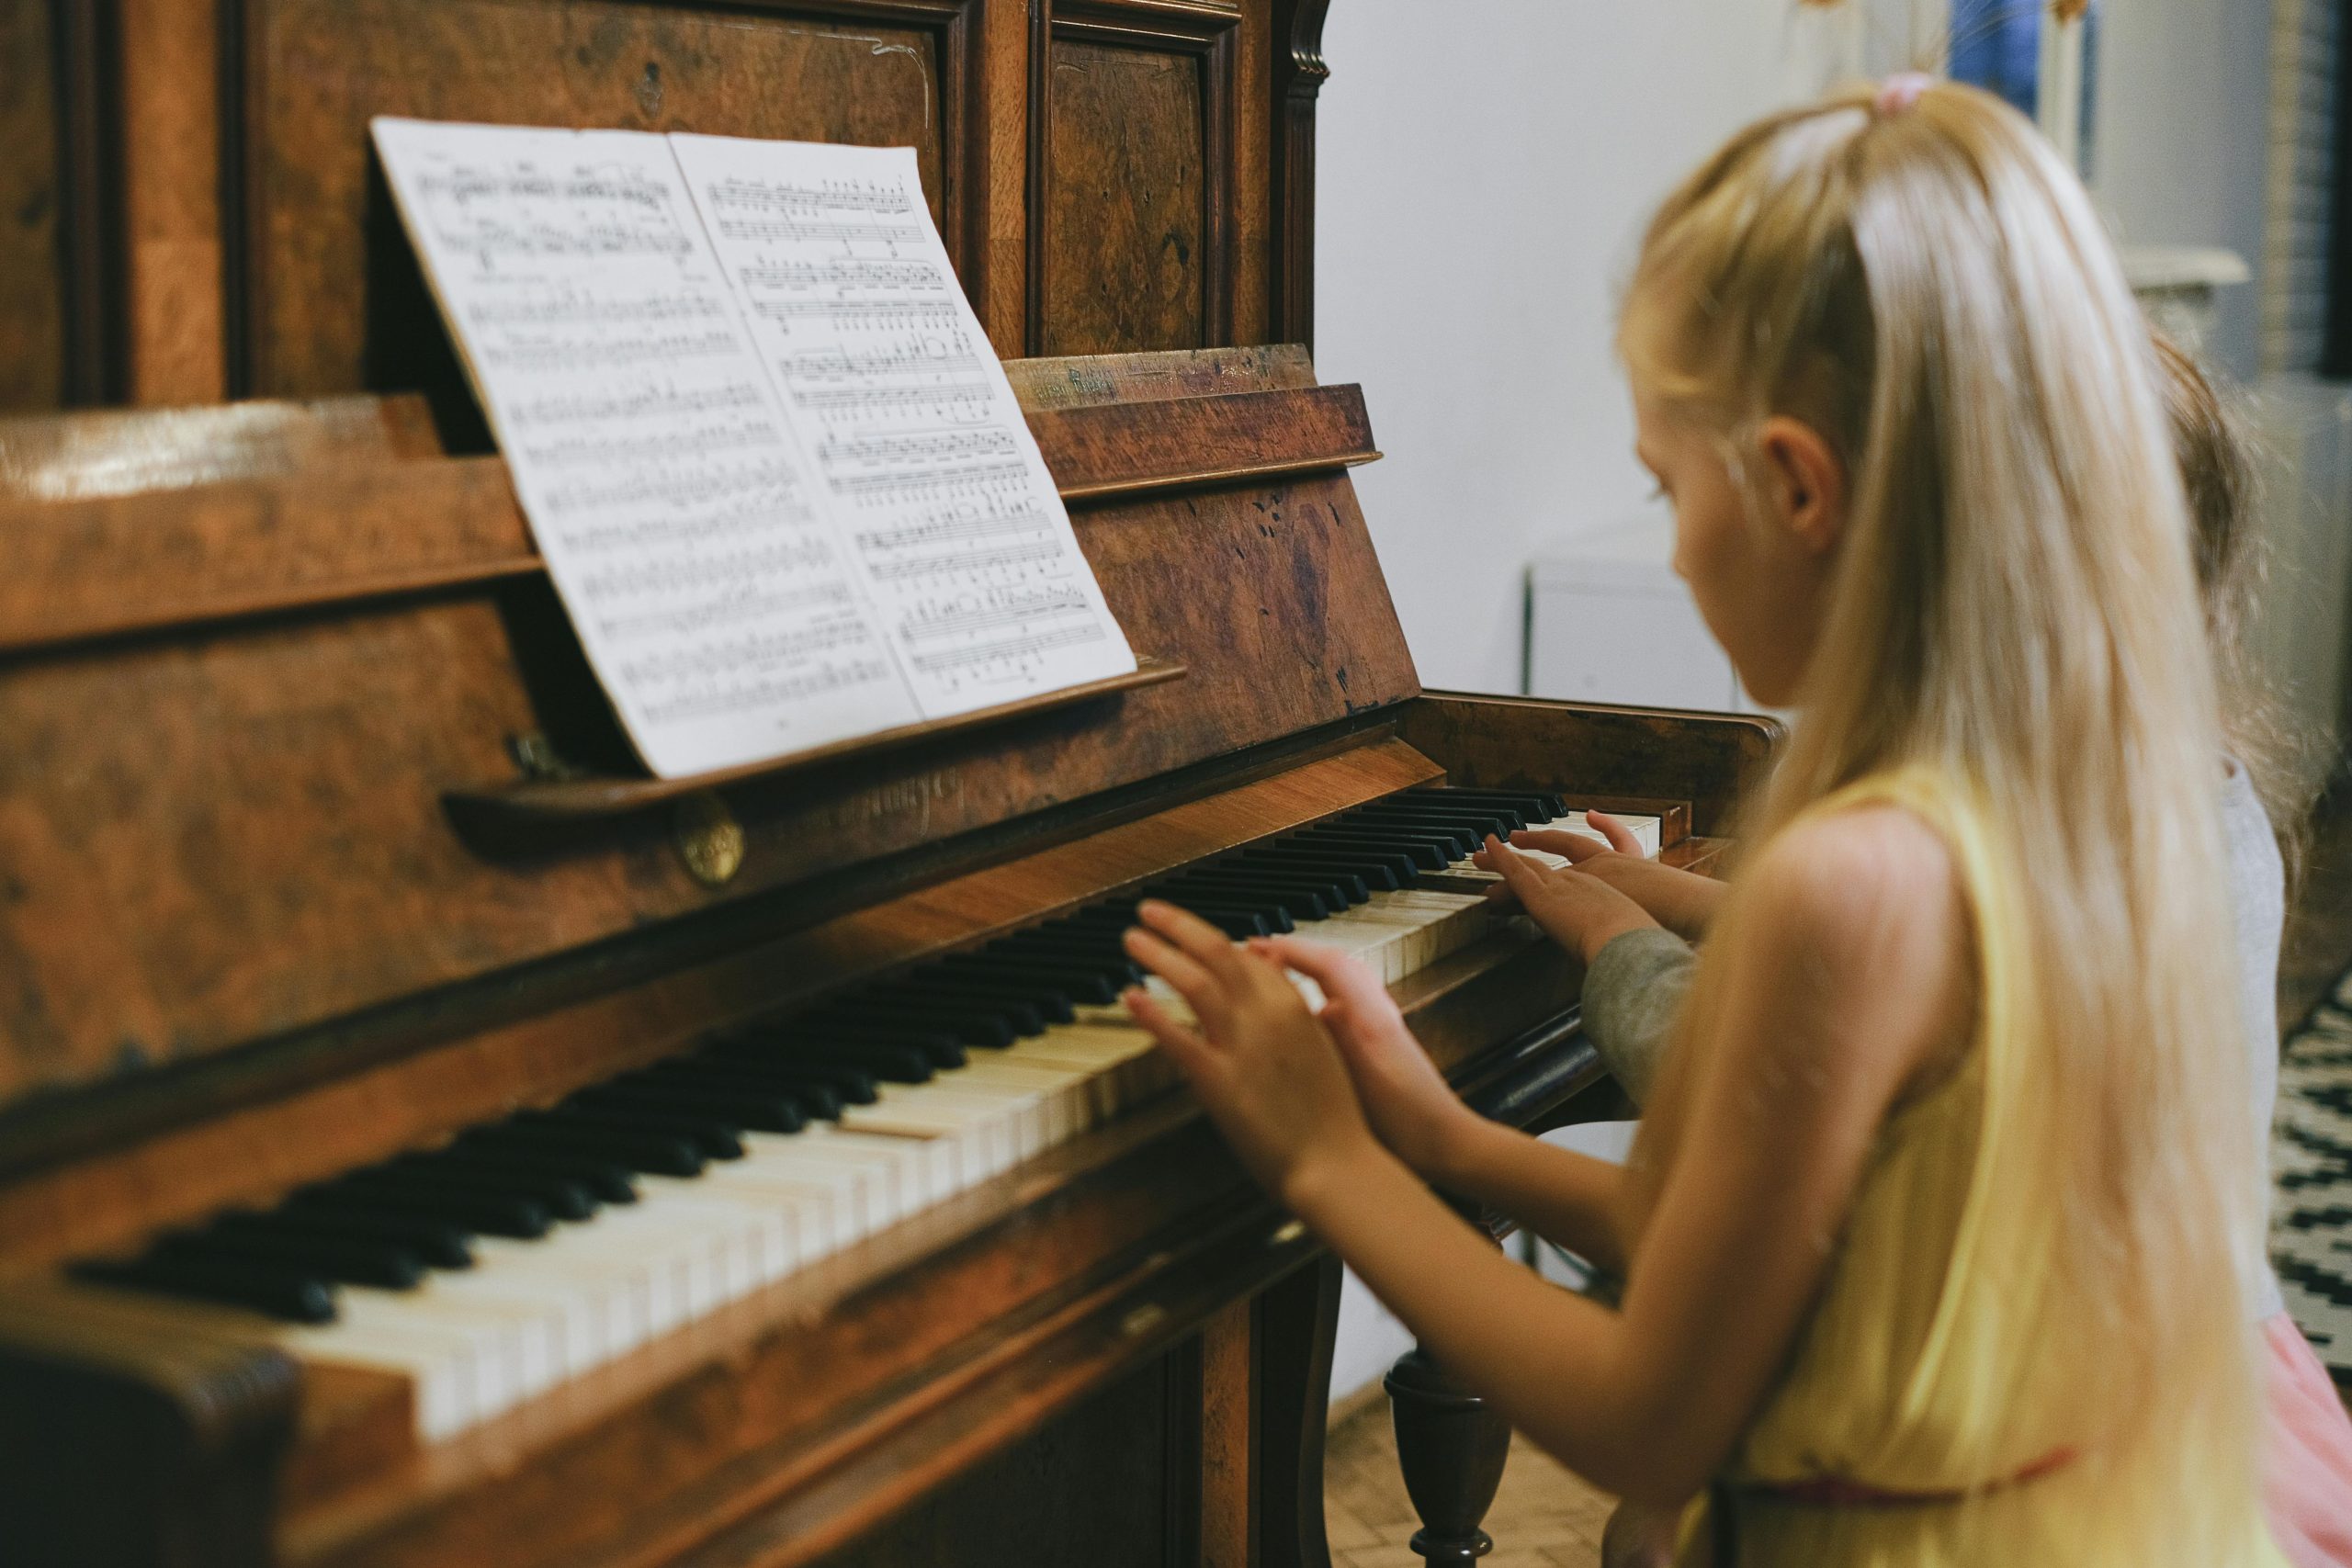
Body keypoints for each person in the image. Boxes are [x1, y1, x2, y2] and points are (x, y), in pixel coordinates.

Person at [1117, 76, 2290, 1564]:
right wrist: (1432, 1129)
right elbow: (1752, 1235)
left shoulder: (1853, 881)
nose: (1669, 549)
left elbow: (1647, 1419)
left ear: (1798, 487)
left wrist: (1325, 1164)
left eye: (1669, 488)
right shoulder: (2104, 802)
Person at [1539, 338, 2352, 1568]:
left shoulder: (2003, 839)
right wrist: (1679, 893)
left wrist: (1616, 939)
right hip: (2217, 1373)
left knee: (1651, 1537)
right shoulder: (2201, 796)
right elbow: (1950, 976)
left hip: (2023, 1433)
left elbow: (1750, 1081)